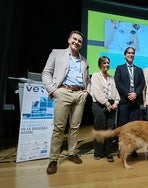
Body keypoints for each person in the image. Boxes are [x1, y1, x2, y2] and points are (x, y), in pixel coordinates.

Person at [42, 30, 91, 175]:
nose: (77, 42)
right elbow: (46, 73)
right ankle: (53, 159)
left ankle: (71, 153)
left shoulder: (84, 60)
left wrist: (86, 92)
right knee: (59, 128)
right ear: (69, 40)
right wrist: (53, 90)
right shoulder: (57, 53)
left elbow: (87, 79)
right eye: (74, 39)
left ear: (81, 45)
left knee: (75, 127)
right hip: (63, 92)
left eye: (79, 41)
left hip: (79, 94)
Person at [114, 46, 145, 157]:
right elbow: (117, 82)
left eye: (132, 53)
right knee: (123, 127)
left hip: (135, 102)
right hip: (124, 102)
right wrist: (128, 94)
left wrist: (135, 93)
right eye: (129, 53)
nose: (131, 55)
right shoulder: (119, 68)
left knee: (133, 128)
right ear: (124, 55)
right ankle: (121, 149)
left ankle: (132, 150)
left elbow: (142, 84)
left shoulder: (139, 70)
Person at [90, 56, 120, 162]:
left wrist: (116, 102)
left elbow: (115, 91)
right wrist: (106, 103)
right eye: (104, 63)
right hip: (99, 105)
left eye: (108, 63)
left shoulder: (111, 78)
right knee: (100, 128)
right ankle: (98, 152)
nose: (106, 64)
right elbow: (97, 92)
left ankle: (108, 152)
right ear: (100, 64)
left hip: (111, 105)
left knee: (110, 130)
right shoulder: (95, 76)